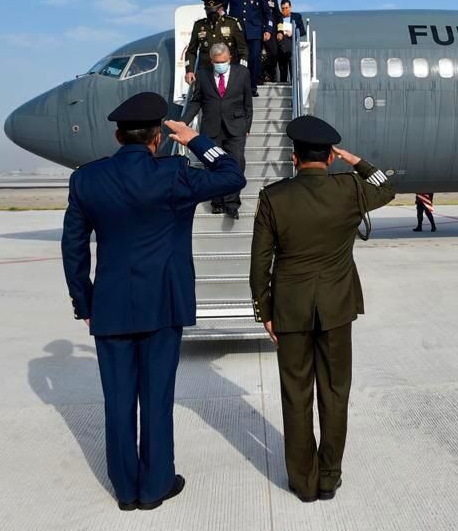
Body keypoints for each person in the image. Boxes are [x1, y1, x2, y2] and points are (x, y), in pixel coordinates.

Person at [61, 92, 246, 511]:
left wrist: (84, 303)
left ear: (117, 135)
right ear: (158, 138)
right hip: (163, 305)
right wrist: (195, 139)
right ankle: (156, 484)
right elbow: (232, 175)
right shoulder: (174, 175)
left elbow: (73, 248)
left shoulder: (86, 180)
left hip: (109, 307)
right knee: (157, 397)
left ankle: (125, 490)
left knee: (118, 401)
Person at [249, 115, 396, 503]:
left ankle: (303, 481)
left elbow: (259, 262)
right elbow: (387, 188)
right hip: (336, 309)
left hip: (290, 309)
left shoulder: (273, 197)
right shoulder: (349, 190)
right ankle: (329, 476)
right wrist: (357, 162)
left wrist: (263, 310)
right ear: (330, 157)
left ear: (293, 157)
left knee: (296, 395)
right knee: (335, 393)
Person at [181, 43, 253, 218]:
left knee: (236, 163)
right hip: (211, 127)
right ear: (211, 61)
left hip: (235, 126)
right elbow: (196, 101)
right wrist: (183, 122)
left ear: (229, 59)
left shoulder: (242, 73)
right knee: (212, 164)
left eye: (223, 61)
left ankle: (232, 203)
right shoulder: (203, 75)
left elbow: (247, 103)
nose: (220, 65)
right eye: (216, 62)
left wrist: (246, 127)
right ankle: (217, 201)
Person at [222, 0, 272, 97]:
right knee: (236, 59)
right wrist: (225, 22)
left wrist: (268, 29)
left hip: (254, 31)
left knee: (254, 59)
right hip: (236, 31)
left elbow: (267, 12)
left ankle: (251, 88)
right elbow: (223, 7)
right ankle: (236, 88)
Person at [183, 0, 248, 84]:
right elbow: (191, 51)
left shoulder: (232, 23)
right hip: (205, 72)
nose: (212, 13)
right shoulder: (199, 25)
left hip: (228, 71)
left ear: (221, 9)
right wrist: (189, 70)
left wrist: (241, 69)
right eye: (209, 11)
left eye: (215, 11)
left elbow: (243, 49)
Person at [253, 0, 282, 82]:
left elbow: (278, 16)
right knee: (257, 54)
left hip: (271, 31)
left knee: (274, 53)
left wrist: (280, 31)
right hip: (257, 30)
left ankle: (270, 74)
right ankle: (259, 77)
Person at [276, 0, 305, 84]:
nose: (285, 10)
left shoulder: (297, 16)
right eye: (283, 8)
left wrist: (293, 33)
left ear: (291, 7)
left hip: (292, 46)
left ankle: (294, 89)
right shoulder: (278, 18)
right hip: (281, 47)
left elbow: (303, 31)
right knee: (283, 71)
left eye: (287, 7)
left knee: (293, 69)